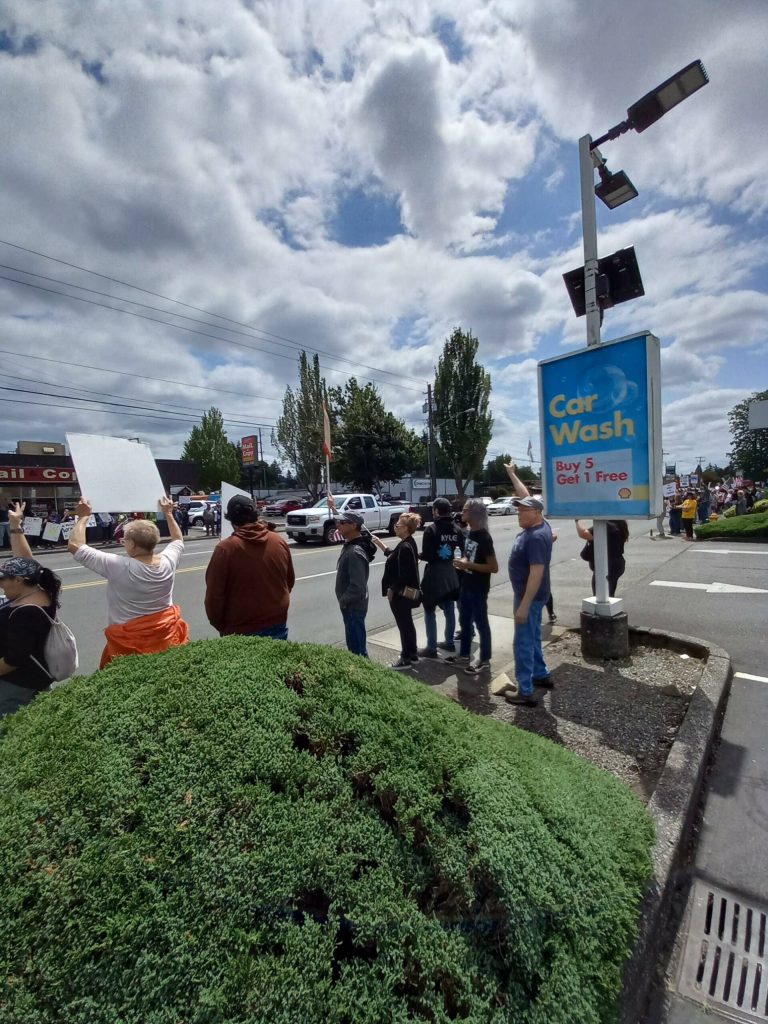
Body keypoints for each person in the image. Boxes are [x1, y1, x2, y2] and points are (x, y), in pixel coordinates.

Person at [68, 496, 189, 668]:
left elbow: (74, 545)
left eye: (125, 540)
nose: (124, 543)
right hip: (164, 635)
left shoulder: (120, 566)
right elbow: (178, 540)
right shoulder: (168, 560)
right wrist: (168, 513)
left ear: (132, 545)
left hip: (130, 641)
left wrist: (83, 517)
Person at [0, 502, 63, 715]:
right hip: (34, 678)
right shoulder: (39, 589)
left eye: (3, 579)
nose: (1, 584)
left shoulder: (26, 613)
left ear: (18, 580)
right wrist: (15, 525)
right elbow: (26, 561)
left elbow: (15, 659)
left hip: (17, 686)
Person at [205, 495, 295, 639]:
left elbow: (214, 597)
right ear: (255, 515)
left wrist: (222, 625)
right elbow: (289, 581)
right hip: (277, 623)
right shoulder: (278, 540)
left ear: (231, 520)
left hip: (239, 629)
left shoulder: (226, 549)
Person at [505, 496, 553, 708]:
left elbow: (536, 572)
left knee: (523, 642)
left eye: (523, 511)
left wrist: (524, 605)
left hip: (529, 596)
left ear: (536, 513)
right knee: (533, 636)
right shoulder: (542, 528)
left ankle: (525, 690)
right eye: (518, 510)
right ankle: (540, 674)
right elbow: (526, 495)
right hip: (536, 595)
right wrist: (513, 478)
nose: (519, 514)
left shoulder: (535, 537)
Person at [448, 498, 498, 676]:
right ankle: (464, 655)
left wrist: (468, 565)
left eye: (465, 510)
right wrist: (462, 562)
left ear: (474, 514)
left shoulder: (484, 537)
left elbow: (493, 567)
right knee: (465, 622)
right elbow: (468, 557)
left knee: (481, 623)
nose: (461, 513)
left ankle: (485, 660)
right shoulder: (470, 533)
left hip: (478, 588)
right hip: (466, 585)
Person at [370, 512, 422, 670]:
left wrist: (392, 589)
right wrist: (380, 544)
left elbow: (405, 575)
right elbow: (394, 556)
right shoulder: (408, 542)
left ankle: (406, 658)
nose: (395, 526)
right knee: (407, 624)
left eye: (398, 524)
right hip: (403, 594)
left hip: (401, 595)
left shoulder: (405, 546)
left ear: (406, 528)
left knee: (404, 625)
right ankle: (412, 654)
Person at [419, 498, 463, 657]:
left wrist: (418, 555)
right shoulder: (457, 530)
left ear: (436, 511)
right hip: (451, 572)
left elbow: (428, 554)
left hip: (434, 574)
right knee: (449, 609)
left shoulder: (431, 530)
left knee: (429, 609)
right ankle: (449, 642)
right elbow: (463, 551)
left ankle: (431, 647)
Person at [333, 509, 377, 657]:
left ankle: (365, 671)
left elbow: (358, 586)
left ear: (353, 525)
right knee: (355, 648)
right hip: (351, 607)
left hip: (353, 608)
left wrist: (343, 601)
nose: (338, 525)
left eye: (342, 522)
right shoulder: (351, 546)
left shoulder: (355, 552)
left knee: (357, 652)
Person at [575, 519, 629, 593]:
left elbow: (583, 534)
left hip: (605, 567)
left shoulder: (606, 526)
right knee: (609, 592)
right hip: (615, 564)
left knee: (601, 594)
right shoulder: (620, 523)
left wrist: (577, 521)